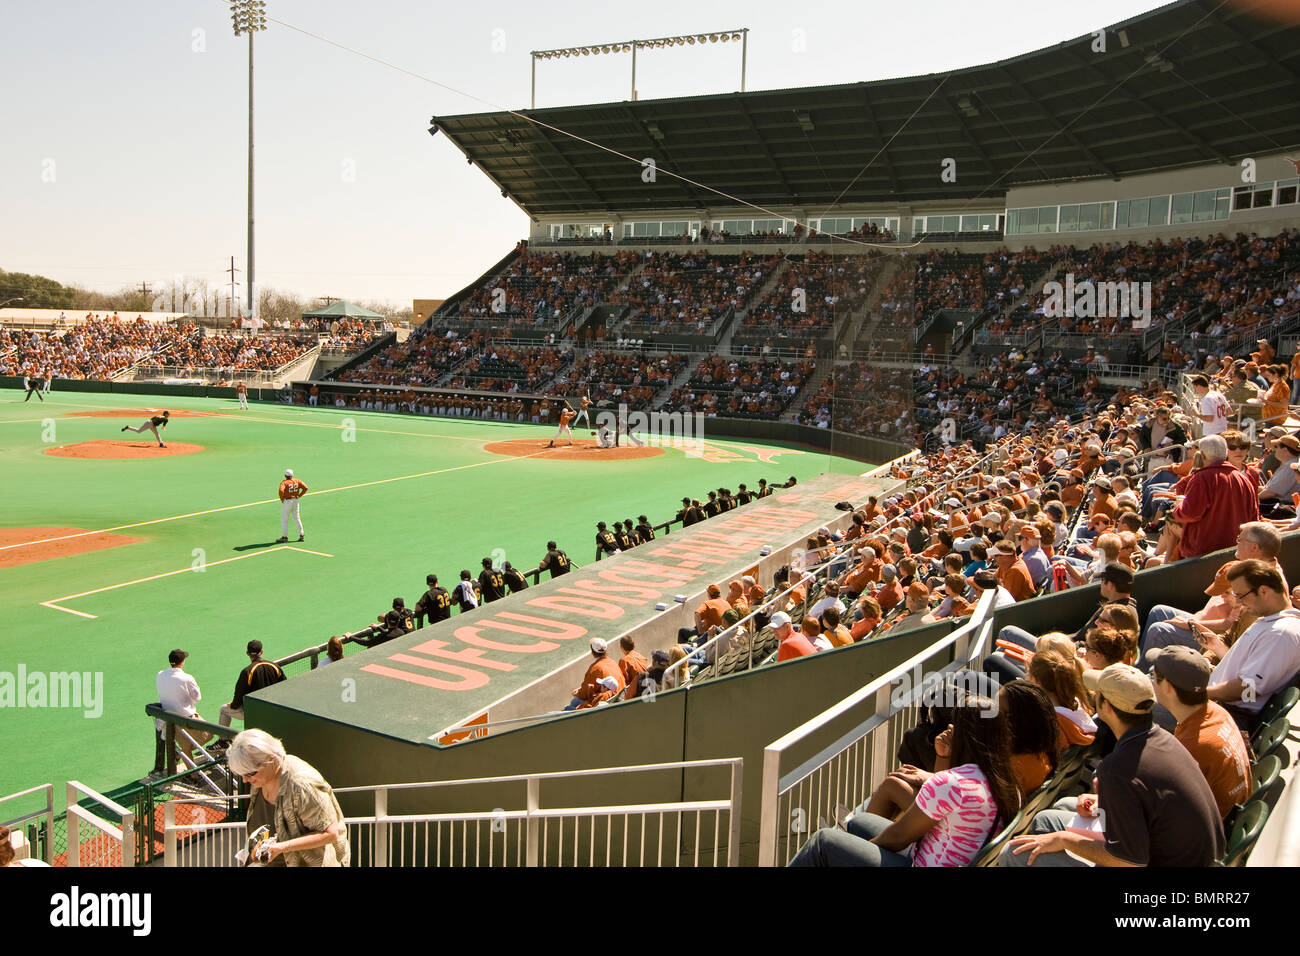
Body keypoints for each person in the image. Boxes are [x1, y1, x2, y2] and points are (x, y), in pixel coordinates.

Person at [1001, 664, 1224, 867]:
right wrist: (1104, 800)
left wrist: (1065, 840)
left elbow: (1129, 861)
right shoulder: (1163, 739)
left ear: (1106, 706)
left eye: (1097, 693)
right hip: (1177, 853)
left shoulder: (1118, 768)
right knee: (1047, 818)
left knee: (1012, 852)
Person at [789, 693, 1018, 867]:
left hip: (921, 862)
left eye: (956, 724)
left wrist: (849, 854)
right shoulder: (1005, 781)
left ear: (970, 738)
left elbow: (898, 838)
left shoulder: (953, 783)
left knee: (824, 841)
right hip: (945, 857)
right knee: (861, 822)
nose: (949, 727)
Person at [1148, 646, 1253, 819]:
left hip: (1209, 831)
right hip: (1228, 814)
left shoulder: (1191, 747)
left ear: (1167, 687)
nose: (1151, 681)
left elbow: (1164, 810)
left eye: (1153, 676)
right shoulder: (1216, 712)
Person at [228, 728, 350, 867]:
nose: (244, 780)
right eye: (241, 774)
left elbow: (330, 834)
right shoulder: (260, 778)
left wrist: (282, 847)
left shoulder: (302, 785)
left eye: (249, 773)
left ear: (271, 760)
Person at [1206, 560, 1300, 731]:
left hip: (1227, 715)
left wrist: (1197, 693)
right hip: (1221, 704)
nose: (1239, 602)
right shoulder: (1272, 622)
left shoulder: (1280, 634)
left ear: (1263, 591)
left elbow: (1248, 690)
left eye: (1241, 595)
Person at [1169, 435, 1259, 559]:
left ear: (1203, 455)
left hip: (1204, 553)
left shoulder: (1203, 478)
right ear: (1226, 453)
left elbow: (1191, 513)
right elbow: (1254, 516)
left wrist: (1178, 508)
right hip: (1235, 549)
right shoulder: (1243, 478)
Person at [153, 649, 211, 775]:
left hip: (170, 718)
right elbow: (197, 698)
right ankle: (185, 758)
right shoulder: (187, 678)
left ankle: (193, 774)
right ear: (182, 662)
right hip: (187, 718)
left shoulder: (160, 674)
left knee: (185, 748)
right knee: (209, 734)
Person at [218, 640, 286, 729]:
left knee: (223, 709)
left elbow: (239, 694)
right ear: (261, 652)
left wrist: (233, 705)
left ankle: (224, 741)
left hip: (254, 712)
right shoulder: (275, 666)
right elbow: (285, 686)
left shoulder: (247, 671)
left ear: (247, 653)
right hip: (275, 709)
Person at [564, 638, 624, 709]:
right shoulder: (613, 662)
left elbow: (585, 693)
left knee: (574, 702)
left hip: (604, 704)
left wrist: (578, 693)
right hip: (617, 697)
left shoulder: (595, 668)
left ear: (592, 651)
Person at [276, 468, 308, 543]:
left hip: (287, 501)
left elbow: (281, 491)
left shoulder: (284, 483)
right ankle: (301, 535)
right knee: (297, 518)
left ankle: (284, 537)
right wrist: (299, 495)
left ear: (285, 475)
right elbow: (305, 488)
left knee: (284, 520)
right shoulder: (297, 481)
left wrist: (282, 499)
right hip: (295, 501)